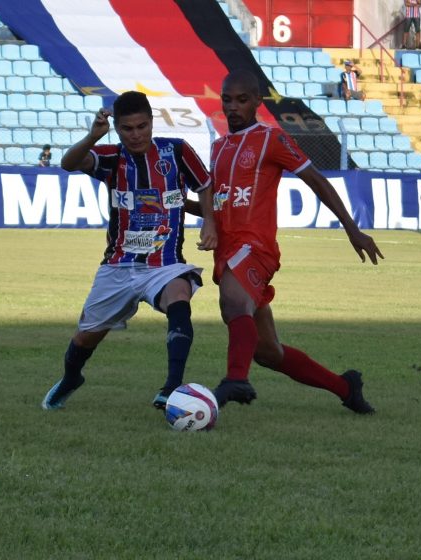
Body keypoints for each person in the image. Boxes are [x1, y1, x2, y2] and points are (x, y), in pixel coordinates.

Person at [209, 69, 384, 413]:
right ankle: (345, 387)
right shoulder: (217, 148)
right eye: (227, 100)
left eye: (242, 100)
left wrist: (351, 228)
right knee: (267, 352)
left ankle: (235, 379)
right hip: (227, 250)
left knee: (233, 303)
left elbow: (316, 180)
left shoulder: (271, 138)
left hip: (255, 247)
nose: (233, 107)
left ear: (257, 103)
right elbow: (219, 204)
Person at [41, 91, 218, 411]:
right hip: (118, 267)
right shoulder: (111, 157)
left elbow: (204, 185)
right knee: (85, 338)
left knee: (180, 297)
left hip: (164, 264)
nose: (136, 134)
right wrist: (93, 137)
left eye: (142, 126)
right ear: (117, 129)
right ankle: (71, 377)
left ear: (151, 122)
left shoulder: (176, 151)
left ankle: (171, 388)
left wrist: (210, 224)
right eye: (127, 128)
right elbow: (69, 163)